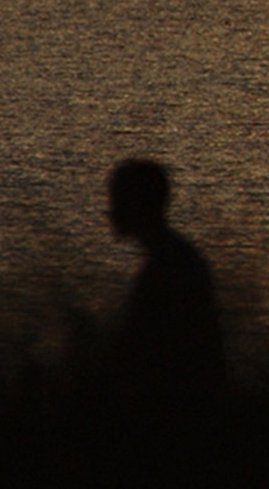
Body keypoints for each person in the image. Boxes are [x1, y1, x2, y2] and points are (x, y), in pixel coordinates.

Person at [106, 158, 225, 403]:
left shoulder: (169, 266)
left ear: (139, 205)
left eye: (118, 200)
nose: (110, 211)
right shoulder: (174, 258)